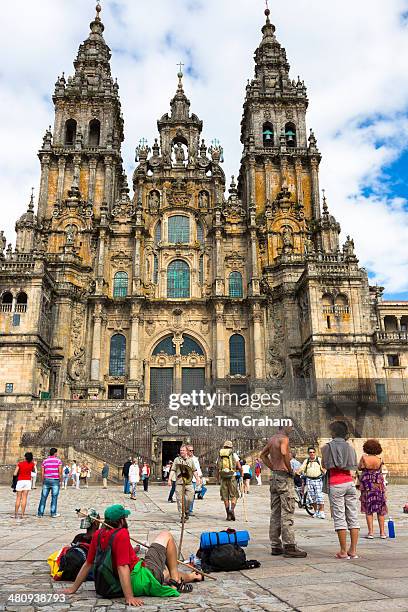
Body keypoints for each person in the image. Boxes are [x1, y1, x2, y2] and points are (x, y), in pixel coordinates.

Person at [62, 504, 202, 605]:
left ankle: (191, 576)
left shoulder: (98, 534)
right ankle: (176, 582)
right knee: (166, 536)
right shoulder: (122, 534)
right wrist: (129, 597)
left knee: (163, 573)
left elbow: (88, 563)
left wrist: (73, 588)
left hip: (112, 584)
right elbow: (122, 567)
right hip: (137, 580)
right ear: (122, 521)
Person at [260, 426, 307, 557]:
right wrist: (289, 468)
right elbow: (284, 452)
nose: (292, 428)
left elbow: (262, 455)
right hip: (284, 478)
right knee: (287, 511)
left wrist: (273, 467)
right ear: (284, 426)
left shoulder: (272, 439)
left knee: (275, 512)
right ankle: (289, 546)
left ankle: (275, 545)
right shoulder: (284, 439)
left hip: (274, 477)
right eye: (290, 426)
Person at [321, 420, 360, 559]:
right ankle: (353, 550)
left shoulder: (326, 447)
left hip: (335, 483)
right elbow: (353, 465)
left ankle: (343, 551)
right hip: (349, 482)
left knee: (339, 517)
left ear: (334, 432)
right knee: (353, 516)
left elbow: (325, 465)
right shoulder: (350, 447)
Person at [358, 439, 388, 539]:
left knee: (368, 510)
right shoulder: (379, 459)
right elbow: (380, 471)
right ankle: (382, 533)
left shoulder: (364, 458)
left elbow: (359, 467)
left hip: (368, 486)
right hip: (378, 486)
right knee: (380, 510)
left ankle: (371, 533)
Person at [168, 445, 200, 522]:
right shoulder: (177, 460)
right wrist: (169, 479)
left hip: (189, 483)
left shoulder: (191, 460)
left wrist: (198, 479)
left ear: (186, 451)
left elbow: (194, 470)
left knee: (190, 498)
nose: (181, 452)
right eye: (180, 450)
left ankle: (187, 511)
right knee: (179, 500)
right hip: (179, 483)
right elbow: (173, 470)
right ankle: (182, 515)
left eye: (183, 450)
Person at [216, 440, 242, 521]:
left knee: (225, 497)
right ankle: (232, 510)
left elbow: (217, 467)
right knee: (234, 495)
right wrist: (241, 474)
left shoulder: (220, 455)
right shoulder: (234, 454)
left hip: (223, 478)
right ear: (231, 447)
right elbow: (239, 467)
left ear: (224, 447)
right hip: (232, 477)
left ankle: (228, 515)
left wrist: (218, 478)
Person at [298, 447, 326, 518]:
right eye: (310, 452)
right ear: (308, 453)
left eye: (313, 452)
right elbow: (302, 468)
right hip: (309, 480)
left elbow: (324, 468)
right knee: (312, 497)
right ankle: (316, 511)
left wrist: (324, 471)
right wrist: (297, 472)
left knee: (320, 496)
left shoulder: (319, 460)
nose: (312, 454)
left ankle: (322, 512)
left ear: (315, 453)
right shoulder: (306, 461)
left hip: (318, 480)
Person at [37, 447, 63, 518]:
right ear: (55, 453)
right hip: (55, 480)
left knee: (43, 497)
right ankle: (53, 513)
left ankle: (40, 513)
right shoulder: (58, 461)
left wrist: (43, 481)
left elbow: (42, 472)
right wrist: (61, 480)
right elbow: (60, 472)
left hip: (46, 480)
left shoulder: (45, 461)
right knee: (54, 497)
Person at [13, 451, 35, 519]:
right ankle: (22, 514)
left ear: (25, 457)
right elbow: (33, 471)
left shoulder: (20, 464)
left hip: (20, 481)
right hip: (27, 482)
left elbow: (15, 474)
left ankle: (16, 514)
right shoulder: (32, 464)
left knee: (18, 498)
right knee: (24, 498)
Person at [187, 445, 202, 515]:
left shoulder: (195, 459)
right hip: (186, 479)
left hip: (193, 479)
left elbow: (198, 468)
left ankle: (190, 510)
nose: (191, 452)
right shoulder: (184, 459)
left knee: (192, 495)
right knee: (185, 496)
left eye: (192, 450)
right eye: (190, 450)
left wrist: (199, 478)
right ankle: (185, 509)